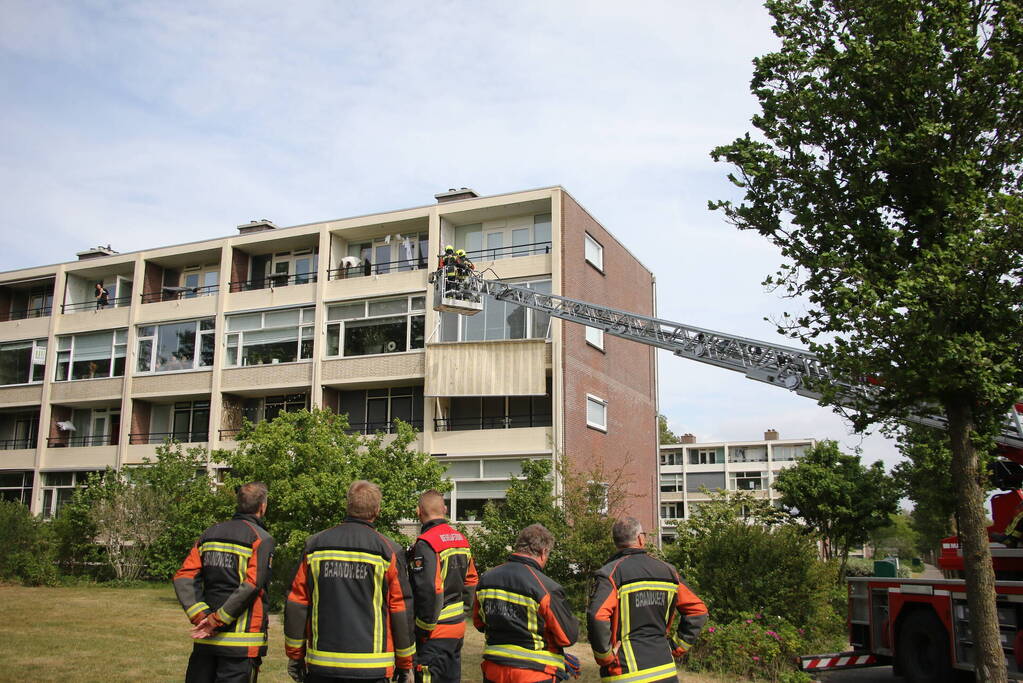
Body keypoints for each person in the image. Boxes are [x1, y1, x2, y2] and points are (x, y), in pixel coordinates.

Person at [284, 480, 415, 683]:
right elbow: (400, 609)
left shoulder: (315, 545)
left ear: (348, 505)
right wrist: (405, 663)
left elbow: (297, 602)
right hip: (372, 667)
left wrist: (295, 655)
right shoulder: (389, 550)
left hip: (323, 665)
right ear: (377, 510)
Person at [173, 481, 276, 683]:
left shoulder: (209, 534)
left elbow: (184, 576)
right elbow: (252, 585)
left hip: (206, 640)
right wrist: (215, 620)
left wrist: (201, 617)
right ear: (262, 506)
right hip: (241, 645)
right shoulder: (261, 539)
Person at [587, 517, 708, 683]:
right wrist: (677, 647)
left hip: (625, 672)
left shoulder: (610, 574)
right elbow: (698, 610)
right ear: (640, 539)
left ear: (616, 542)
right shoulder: (669, 571)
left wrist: (604, 656)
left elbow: (597, 616)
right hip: (665, 670)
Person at [473, 524, 580, 683]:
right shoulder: (546, 588)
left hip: (494, 670)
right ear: (544, 552)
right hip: (535, 673)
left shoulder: (486, 579)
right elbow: (567, 637)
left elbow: (479, 623)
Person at [408, 490, 479, 683]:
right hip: (457, 628)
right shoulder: (461, 539)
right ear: (445, 509)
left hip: (434, 631)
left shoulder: (426, 543)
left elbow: (431, 589)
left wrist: (422, 629)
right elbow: (471, 580)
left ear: (418, 511)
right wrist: (462, 610)